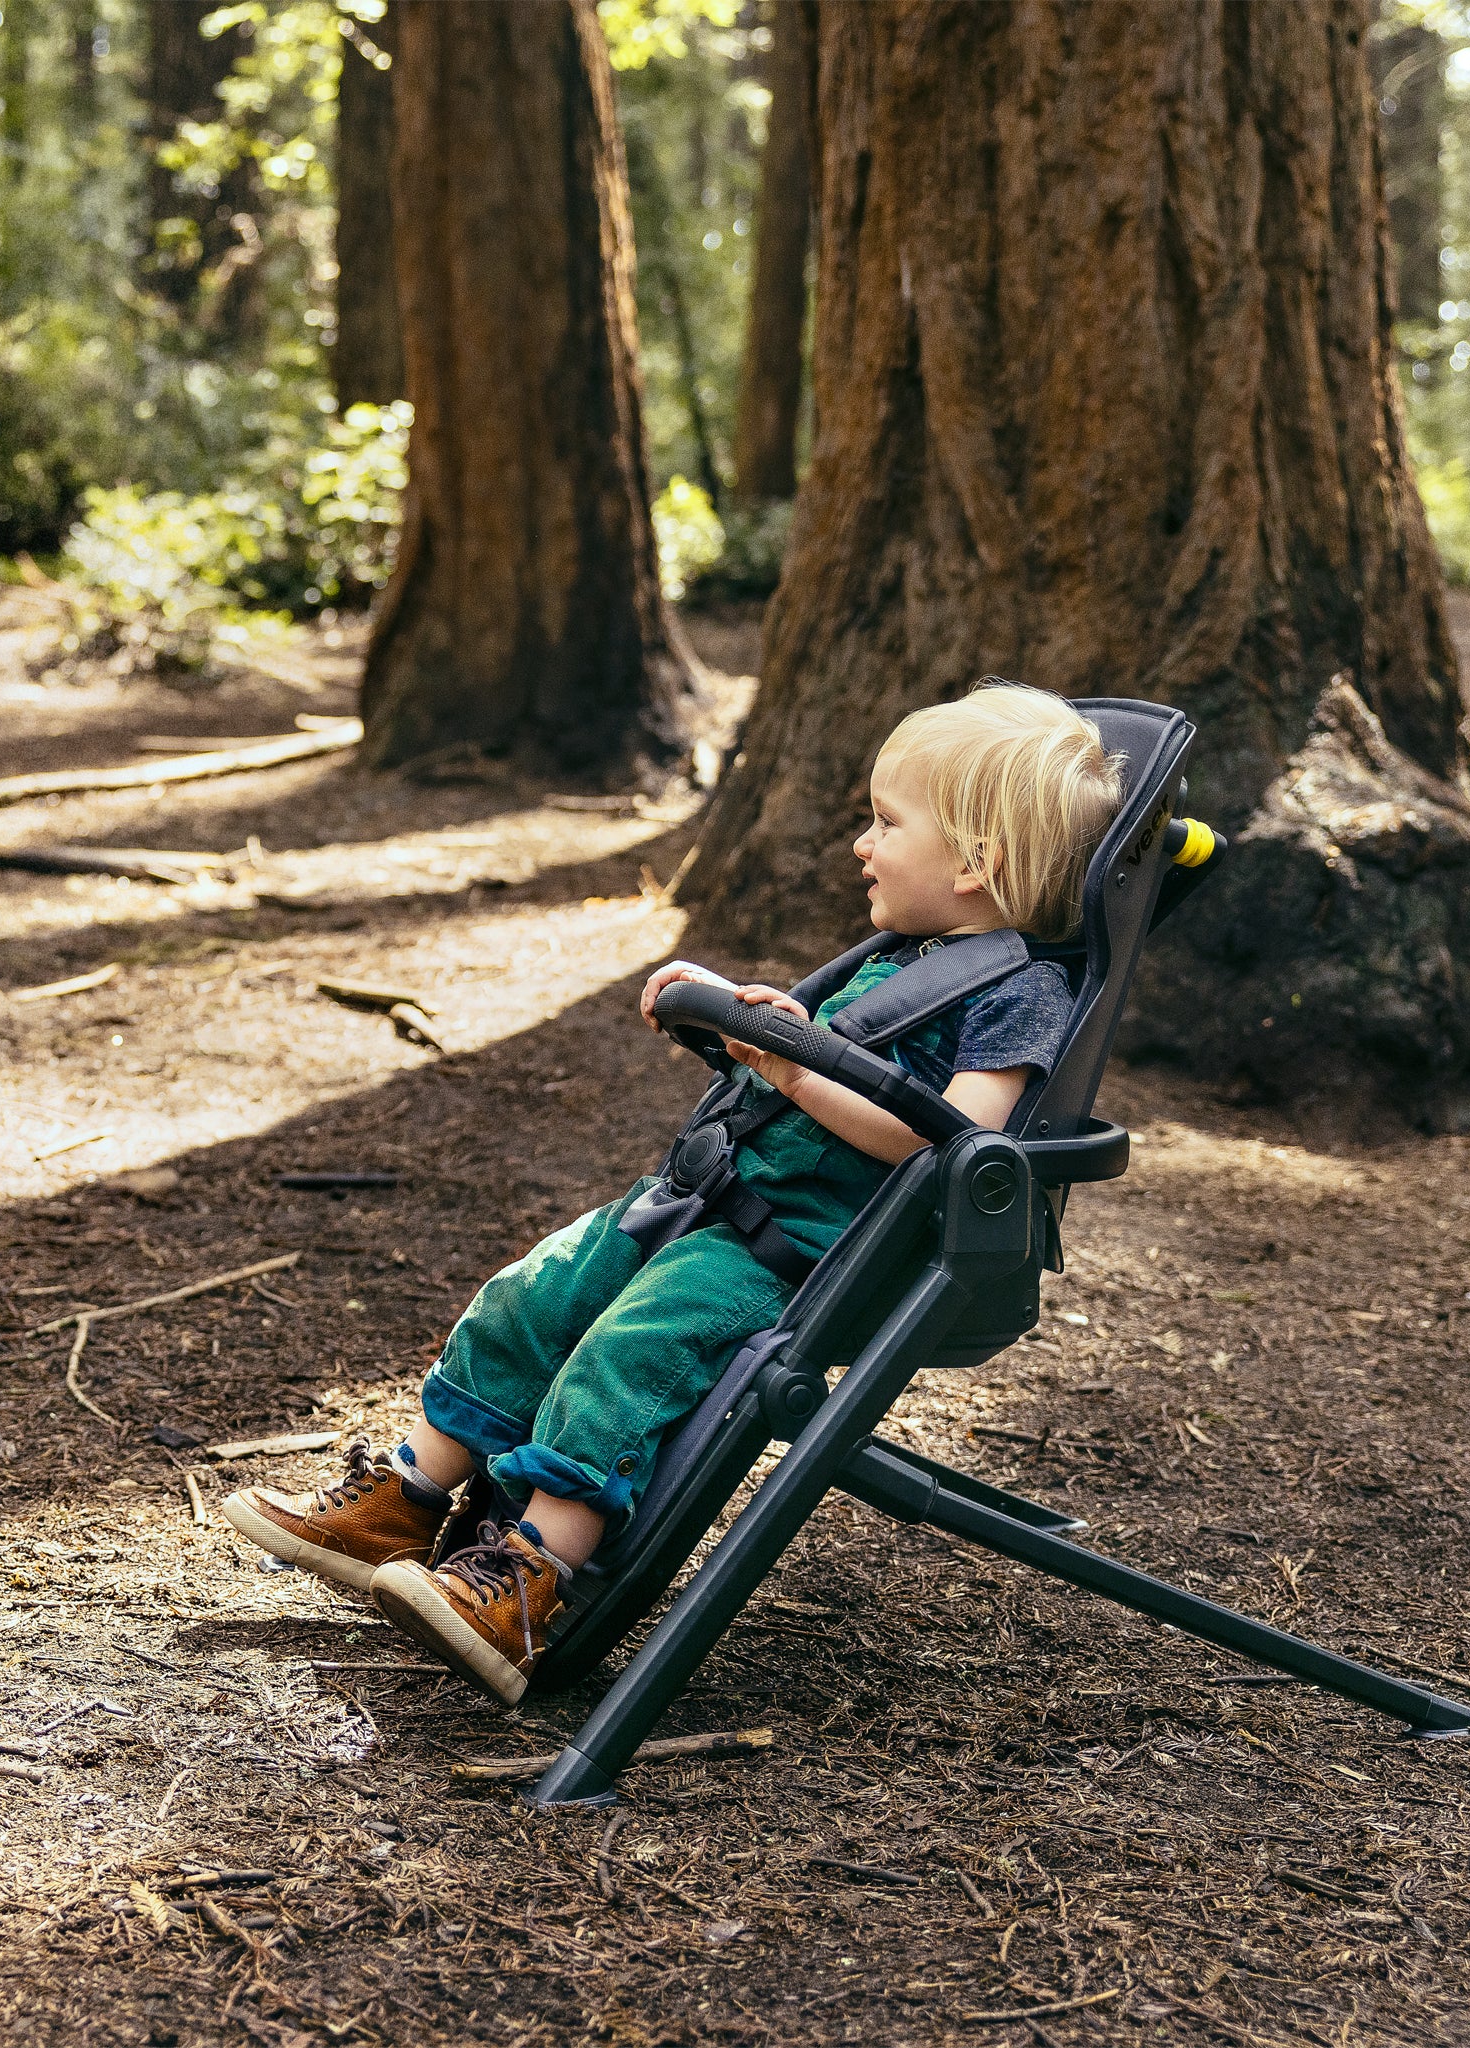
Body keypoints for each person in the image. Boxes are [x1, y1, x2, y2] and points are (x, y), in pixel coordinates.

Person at [223, 683, 1125, 1704]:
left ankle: (527, 1575)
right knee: (530, 1295)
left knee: (629, 1355)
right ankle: (406, 1493)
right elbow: (836, 1050)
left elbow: (951, 1142)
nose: (861, 844)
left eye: (884, 821)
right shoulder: (897, 957)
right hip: (697, 1198)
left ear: (974, 863)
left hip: (790, 1250)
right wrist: (764, 1019)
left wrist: (791, 1066)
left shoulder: (1017, 992)